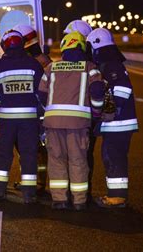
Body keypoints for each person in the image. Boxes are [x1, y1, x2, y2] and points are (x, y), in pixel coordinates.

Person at [39, 31, 105, 211]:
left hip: (53, 123)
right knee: (78, 160)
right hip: (78, 123)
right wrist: (96, 114)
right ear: (83, 47)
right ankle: (79, 200)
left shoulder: (51, 68)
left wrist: (50, 111)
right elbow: (98, 93)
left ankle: (59, 199)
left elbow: (41, 94)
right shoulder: (90, 68)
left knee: (56, 159)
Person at [86, 28, 138, 208]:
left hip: (118, 123)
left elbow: (123, 89)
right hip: (118, 123)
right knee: (112, 156)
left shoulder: (111, 66)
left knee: (113, 157)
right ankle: (117, 196)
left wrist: (111, 107)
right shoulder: (112, 63)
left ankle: (117, 198)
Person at [0, 30, 44, 204]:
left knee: (4, 154)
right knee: (29, 154)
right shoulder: (34, 64)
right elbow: (41, 92)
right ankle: (29, 193)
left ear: (5, 45)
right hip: (29, 118)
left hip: (6, 119)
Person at [13, 24, 51, 192]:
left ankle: (32, 183)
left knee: (29, 150)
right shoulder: (45, 60)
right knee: (40, 151)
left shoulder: (30, 63)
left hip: (33, 113)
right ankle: (39, 183)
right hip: (43, 112)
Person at [64, 19, 98, 202]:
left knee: (75, 156)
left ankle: (75, 193)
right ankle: (83, 193)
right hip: (85, 117)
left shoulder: (85, 64)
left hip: (75, 118)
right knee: (84, 155)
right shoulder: (92, 64)